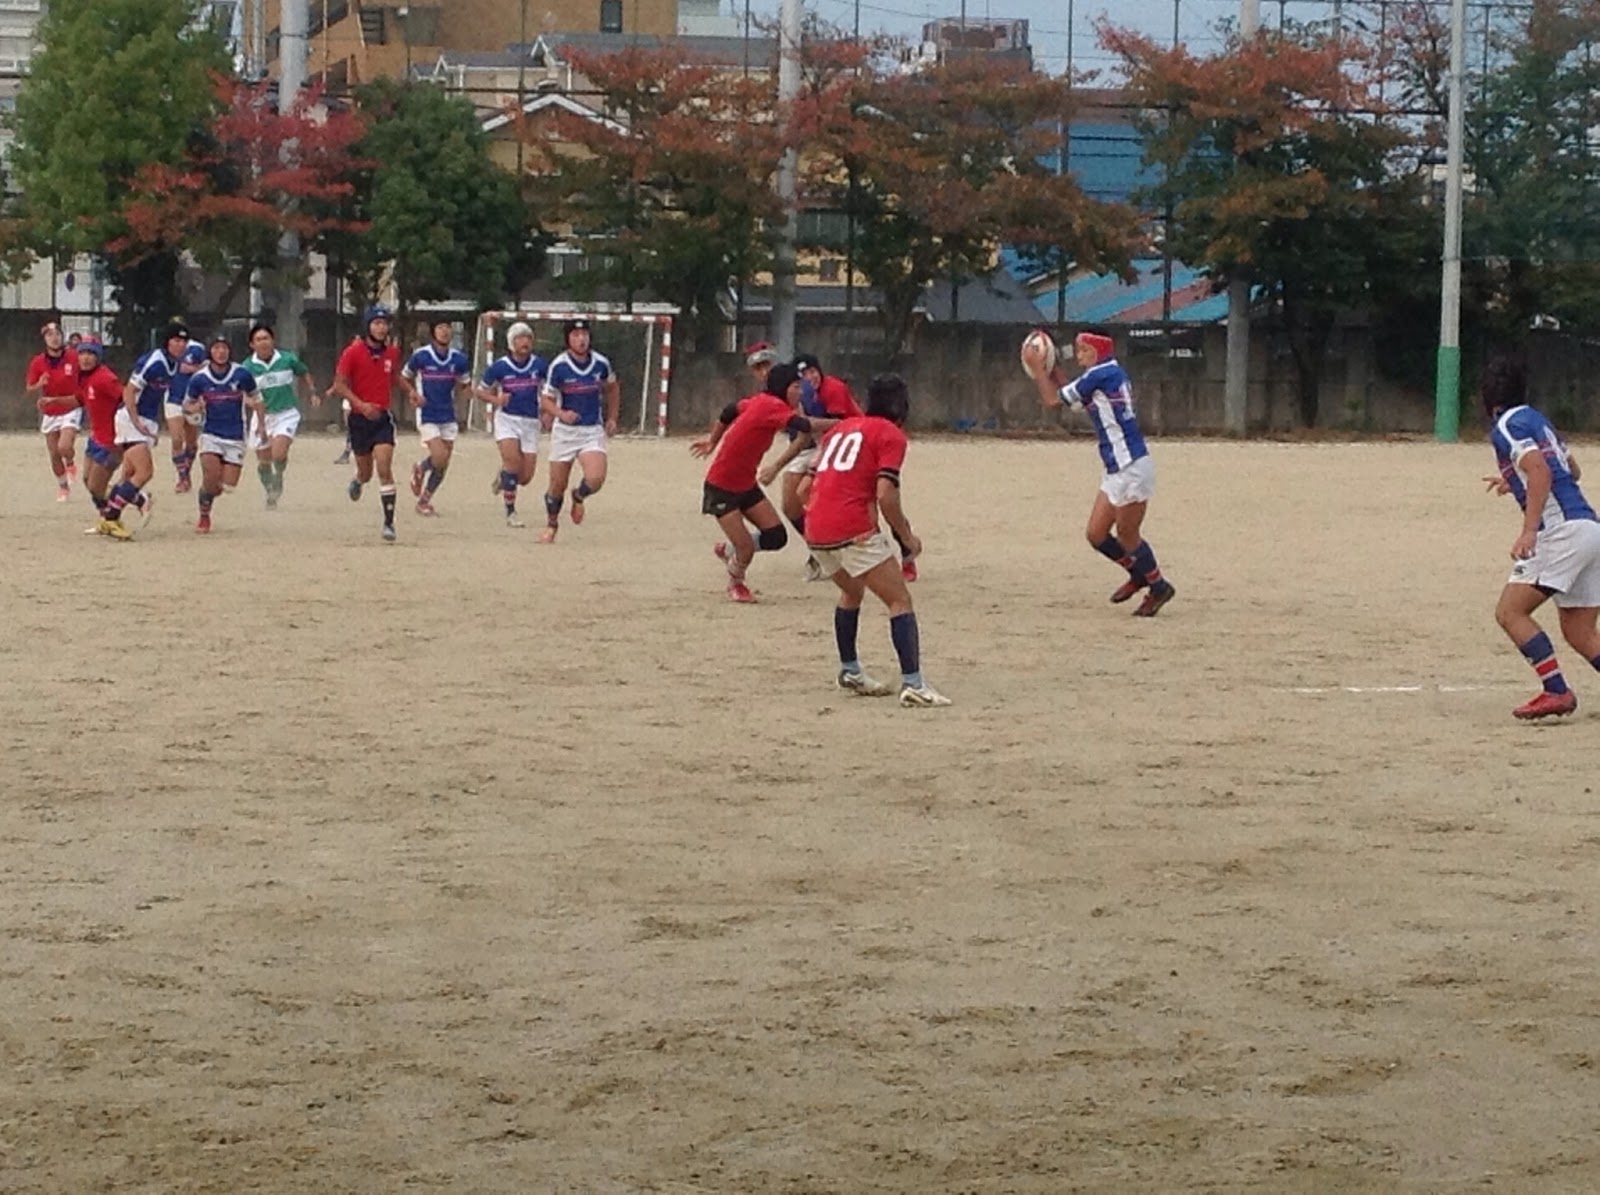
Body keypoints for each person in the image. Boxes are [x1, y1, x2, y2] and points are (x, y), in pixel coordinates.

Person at [800, 374, 950, 707]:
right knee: (900, 600)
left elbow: (802, 490)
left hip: (815, 529)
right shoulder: (890, 435)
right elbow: (886, 495)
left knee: (851, 591)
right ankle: (913, 683)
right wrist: (907, 538)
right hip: (852, 529)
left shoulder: (839, 430)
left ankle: (850, 669)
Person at [1481, 355, 1600, 720]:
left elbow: (1540, 471)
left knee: (1510, 612)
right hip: (1589, 528)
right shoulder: (1537, 420)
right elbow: (1571, 470)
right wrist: (1516, 480)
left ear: (1489, 398)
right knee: (1579, 630)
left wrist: (1529, 530)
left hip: (1560, 532)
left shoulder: (1505, 425)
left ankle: (1556, 691)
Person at [1027, 328, 1176, 617]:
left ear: (1098, 351)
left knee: (1127, 535)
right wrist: (1053, 369)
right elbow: (1074, 399)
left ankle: (1159, 587)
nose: (1079, 356)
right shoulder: (1107, 373)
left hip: (1130, 466)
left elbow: (1053, 401)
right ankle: (1139, 574)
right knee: (1096, 534)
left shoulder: (1099, 375)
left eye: (1084, 350)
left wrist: (1038, 370)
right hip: (1116, 466)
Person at [691, 362, 818, 603]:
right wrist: (844, 424)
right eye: (795, 386)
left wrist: (713, 441)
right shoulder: (772, 405)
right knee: (746, 549)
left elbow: (730, 410)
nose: (800, 392)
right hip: (721, 488)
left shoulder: (762, 401)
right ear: (783, 387)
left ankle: (728, 550)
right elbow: (805, 426)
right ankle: (735, 582)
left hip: (745, 484)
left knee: (776, 536)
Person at [760, 352, 862, 581]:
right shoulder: (786, 395)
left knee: (815, 497)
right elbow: (802, 434)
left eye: (813, 371)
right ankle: (820, 550)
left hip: (841, 442)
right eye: (804, 374)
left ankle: (839, 551)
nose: (810, 377)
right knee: (790, 506)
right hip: (811, 444)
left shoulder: (831, 389)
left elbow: (838, 427)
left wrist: (777, 466)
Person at [101, 323, 188, 539]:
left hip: (146, 421)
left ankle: (107, 517)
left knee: (128, 475)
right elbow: (129, 391)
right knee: (145, 472)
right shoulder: (155, 361)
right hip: (132, 419)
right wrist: (136, 422)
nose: (180, 345)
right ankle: (112, 517)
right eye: (176, 340)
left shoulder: (173, 363)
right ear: (167, 342)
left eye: (183, 341)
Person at [539, 318, 619, 543]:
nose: (581, 339)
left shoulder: (601, 363)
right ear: (567, 339)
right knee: (557, 485)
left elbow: (612, 388)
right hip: (565, 433)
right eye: (575, 335)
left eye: (584, 334)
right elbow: (546, 400)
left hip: (591, 429)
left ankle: (579, 495)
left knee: (596, 478)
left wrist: (612, 417)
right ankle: (552, 524)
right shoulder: (559, 366)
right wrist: (561, 413)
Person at [329, 305, 404, 543]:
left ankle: (389, 523)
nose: (381, 328)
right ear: (368, 326)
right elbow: (339, 384)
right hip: (359, 419)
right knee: (366, 472)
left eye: (385, 323)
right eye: (377, 323)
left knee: (384, 467)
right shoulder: (353, 352)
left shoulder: (392, 353)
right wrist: (360, 405)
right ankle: (358, 480)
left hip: (382, 417)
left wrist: (411, 392)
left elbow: (395, 377)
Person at [182, 334, 264, 535]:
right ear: (210, 352)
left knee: (227, 486)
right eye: (216, 348)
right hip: (211, 434)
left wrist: (262, 425)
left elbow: (257, 398)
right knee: (211, 478)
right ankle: (204, 516)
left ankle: (209, 493)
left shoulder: (241, 374)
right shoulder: (199, 378)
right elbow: (187, 405)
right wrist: (195, 408)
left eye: (224, 348)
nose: (220, 352)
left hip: (235, 436)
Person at [474, 320, 548, 527]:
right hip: (507, 419)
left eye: (528, 338)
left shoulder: (540, 366)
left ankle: (504, 476)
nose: (525, 342)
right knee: (513, 462)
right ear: (511, 343)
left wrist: (547, 412)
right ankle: (511, 512)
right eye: (520, 338)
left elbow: (550, 391)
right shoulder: (500, 367)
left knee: (525, 476)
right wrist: (496, 400)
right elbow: (480, 391)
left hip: (531, 422)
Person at [400, 317, 471, 517]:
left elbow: (465, 383)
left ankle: (424, 501)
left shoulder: (459, 359)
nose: (445, 331)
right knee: (439, 457)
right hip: (427, 413)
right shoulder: (421, 356)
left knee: (444, 463)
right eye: (440, 327)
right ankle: (421, 467)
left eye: (447, 327)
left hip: (448, 415)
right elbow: (404, 377)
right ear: (433, 332)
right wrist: (413, 393)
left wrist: (468, 392)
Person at [244, 322, 319, 509]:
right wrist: (248, 401)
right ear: (252, 344)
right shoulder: (247, 367)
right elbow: (241, 391)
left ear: (273, 340)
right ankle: (270, 490)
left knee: (278, 453)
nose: (263, 342)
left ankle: (279, 475)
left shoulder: (287, 359)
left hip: (286, 413)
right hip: (262, 416)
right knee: (263, 461)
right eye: (258, 339)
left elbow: (304, 372)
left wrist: (313, 392)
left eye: (266, 338)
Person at [74, 337, 125, 535]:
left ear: (98, 357)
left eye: (91, 353)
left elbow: (125, 398)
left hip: (111, 441)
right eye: (82, 353)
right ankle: (106, 518)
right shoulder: (85, 378)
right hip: (96, 438)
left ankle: (128, 507)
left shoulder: (105, 378)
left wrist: (125, 433)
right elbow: (79, 400)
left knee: (96, 485)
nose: (86, 358)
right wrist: (53, 402)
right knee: (88, 480)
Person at [25, 320, 81, 502]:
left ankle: (71, 463)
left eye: (57, 334)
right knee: (54, 454)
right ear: (44, 339)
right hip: (50, 409)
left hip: (71, 406)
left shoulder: (74, 357)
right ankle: (63, 487)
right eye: (49, 335)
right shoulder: (38, 362)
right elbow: (29, 388)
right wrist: (39, 384)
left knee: (64, 446)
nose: (54, 338)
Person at [161, 327, 207, 493]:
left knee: (192, 442)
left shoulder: (197, 348)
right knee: (176, 439)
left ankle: (187, 471)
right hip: (173, 398)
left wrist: (193, 370)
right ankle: (182, 477)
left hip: (191, 399)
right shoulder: (165, 352)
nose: (179, 343)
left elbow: (207, 368)